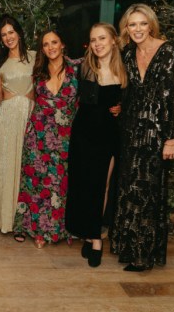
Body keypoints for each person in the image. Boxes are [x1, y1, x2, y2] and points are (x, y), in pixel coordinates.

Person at [110, 4, 174, 272]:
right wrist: (118, 105)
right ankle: (130, 247)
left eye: (142, 24)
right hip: (130, 129)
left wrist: (172, 138)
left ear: (151, 25)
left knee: (149, 191)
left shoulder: (169, 52)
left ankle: (145, 254)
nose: (138, 29)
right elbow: (128, 89)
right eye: (132, 25)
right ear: (126, 28)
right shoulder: (128, 53)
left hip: (157, 132)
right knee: (130, 187)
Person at [65, 23, 126, 267]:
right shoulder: (83, 67)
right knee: (83, 186)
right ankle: (90, 235)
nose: (97, 44)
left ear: (113, 40)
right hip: (83, 134)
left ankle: (96, 237)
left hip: (108, 135)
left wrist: (122, 108)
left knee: (102, 186)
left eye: (102, 38)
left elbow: (132, 101)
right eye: (93, 40)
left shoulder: (125, 69)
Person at [14, 30, 79, 248]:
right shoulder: (38, 71)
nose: (50, 47)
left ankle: (59, 230)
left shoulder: (76, 69)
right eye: (45, 44)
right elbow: (33, 100)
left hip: (64, 136)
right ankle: (39, 232)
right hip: (38, 135)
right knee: (37, 183)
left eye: (54, 42)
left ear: (62, 45)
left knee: (60, 184)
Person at [0, 15, 36, 237]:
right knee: (5, 167)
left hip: (29, 116)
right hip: (6, 118)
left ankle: (21, 223)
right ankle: (3, 220)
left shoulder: (35, 58)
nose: (8, 37)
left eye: (11, 32)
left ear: (19, 32)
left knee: (24, 169)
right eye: (4, 34)